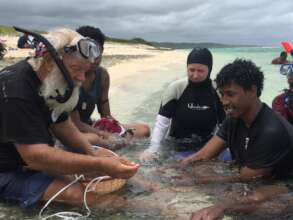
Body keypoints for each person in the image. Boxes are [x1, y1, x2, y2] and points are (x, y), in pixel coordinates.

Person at [0, 28, 139, 208]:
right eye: (76, 69)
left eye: (85, 70)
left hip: (27, 161)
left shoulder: (47, 81)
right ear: (49, 61)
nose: (81, 78)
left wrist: (92, 153)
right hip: (7, 169)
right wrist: (98, 164)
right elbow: (35, 156)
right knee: (77, 193)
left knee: (89, 175)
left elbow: (61, 123)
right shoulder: (16, 89)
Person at [180, 59, 293, 220]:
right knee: (199, 168)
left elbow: (249, 178)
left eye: (231, 94)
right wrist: (178, 169)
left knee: (265, 204)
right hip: (252, 175)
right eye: (222, 94)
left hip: (283, 188)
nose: (224, 101)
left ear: (253, 91)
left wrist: (220, 204)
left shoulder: (271, 131)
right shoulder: (235, 117)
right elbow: (204, 154)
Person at [140, 48, 226, 162]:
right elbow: (162, 124)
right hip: (177, 146)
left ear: (209, 70)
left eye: (200, 71)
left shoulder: (218, 91)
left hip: (208, 147)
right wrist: (153, 149)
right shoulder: (176, 88)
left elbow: (225, 126)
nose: (195, 75)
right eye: (191, 70)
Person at [70, 26, 150, 148]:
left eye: (99, 52)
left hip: (91, 126)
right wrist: (103, 135)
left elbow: (105, 115)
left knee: (144, 129)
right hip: (72, 129)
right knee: (96, 140)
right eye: (90, 52)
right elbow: (75, 123)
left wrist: (119, 130)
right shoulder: (71, 76)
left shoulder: (102, 75)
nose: (95, 58)